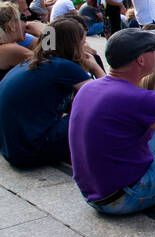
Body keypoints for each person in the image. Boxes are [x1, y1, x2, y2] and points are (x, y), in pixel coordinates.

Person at [68, 29, 155, 214]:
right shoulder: (141, 98)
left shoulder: (89, 88)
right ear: (141, 59)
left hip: (94, 192)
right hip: (125, 196)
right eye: (154, 48)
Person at [0, 17, 102, 168]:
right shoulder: (63, 66)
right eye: (82, 43)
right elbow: (107, 97)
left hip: (13, 150)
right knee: (97, 115)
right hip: (31, 151)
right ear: (73, 45)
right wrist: (95, 68)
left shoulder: (35, 62)